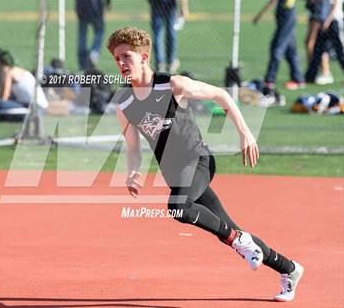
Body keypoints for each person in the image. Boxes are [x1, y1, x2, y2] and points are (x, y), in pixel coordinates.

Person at [107, 26, 304, 302]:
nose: (121, 63)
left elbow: (221, 96)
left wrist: (246, 133)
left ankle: (238, 240)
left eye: (126, 56)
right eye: (117, 59)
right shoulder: (124, 103)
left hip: (198, 161)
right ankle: (289, 268)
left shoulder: (172, 84)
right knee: (229, 227)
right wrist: (132, 171)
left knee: (178, 208)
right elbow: (133, 148)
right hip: (176, 176)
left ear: (143, 57)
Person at [253, 0, 305, 92]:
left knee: (276, 49)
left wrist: (259, 15)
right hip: (285, 16)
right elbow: (273, 1)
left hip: (287, 15)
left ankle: (269, 81)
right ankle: (298, 79)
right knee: (290, 51)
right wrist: (260, 15)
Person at [0, 48, 48, 121]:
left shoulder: (6, 71)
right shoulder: (17, 69)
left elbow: (3, 97)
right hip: (41, 108)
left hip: (35, 108)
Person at [305, 0, 344, 83]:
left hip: (334, 21)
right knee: (319, 49)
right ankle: (310, 76)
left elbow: (335, 4)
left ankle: (319, 75)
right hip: (323, 20)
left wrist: (327, 21)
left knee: (339, 51)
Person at [147, 0, 188, 73]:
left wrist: (184, 6)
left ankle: (167, 62)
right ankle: (164, 63)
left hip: (168, 3)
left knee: (168, 33)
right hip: (161, 2)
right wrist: (184, 7)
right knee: (160, 35)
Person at [75, 0, 110, 71]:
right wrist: (107, 2)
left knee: (82, 35)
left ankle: (82, 61)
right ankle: (94, 53)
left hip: (81, 6)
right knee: (99, 31)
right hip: (95, 6)